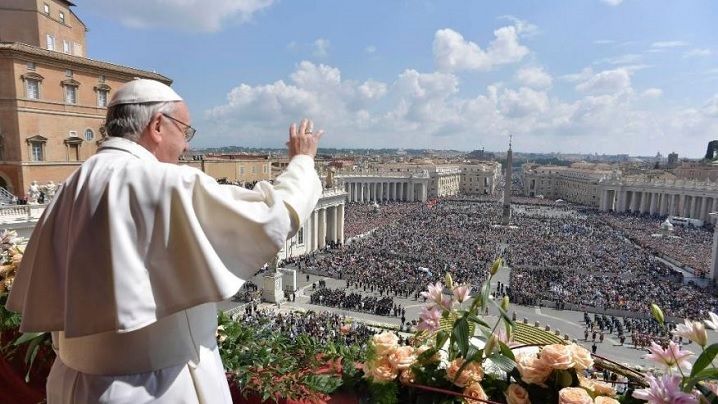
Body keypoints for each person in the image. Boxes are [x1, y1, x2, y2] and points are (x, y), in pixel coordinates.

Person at [6, 78, 324, 403]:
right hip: (157, 389)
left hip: (75, 386)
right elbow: (271, 218)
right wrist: (302, 162)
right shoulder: (163, 181)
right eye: (185, 132)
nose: (186, 146)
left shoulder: (73, 184)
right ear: (158, 125)